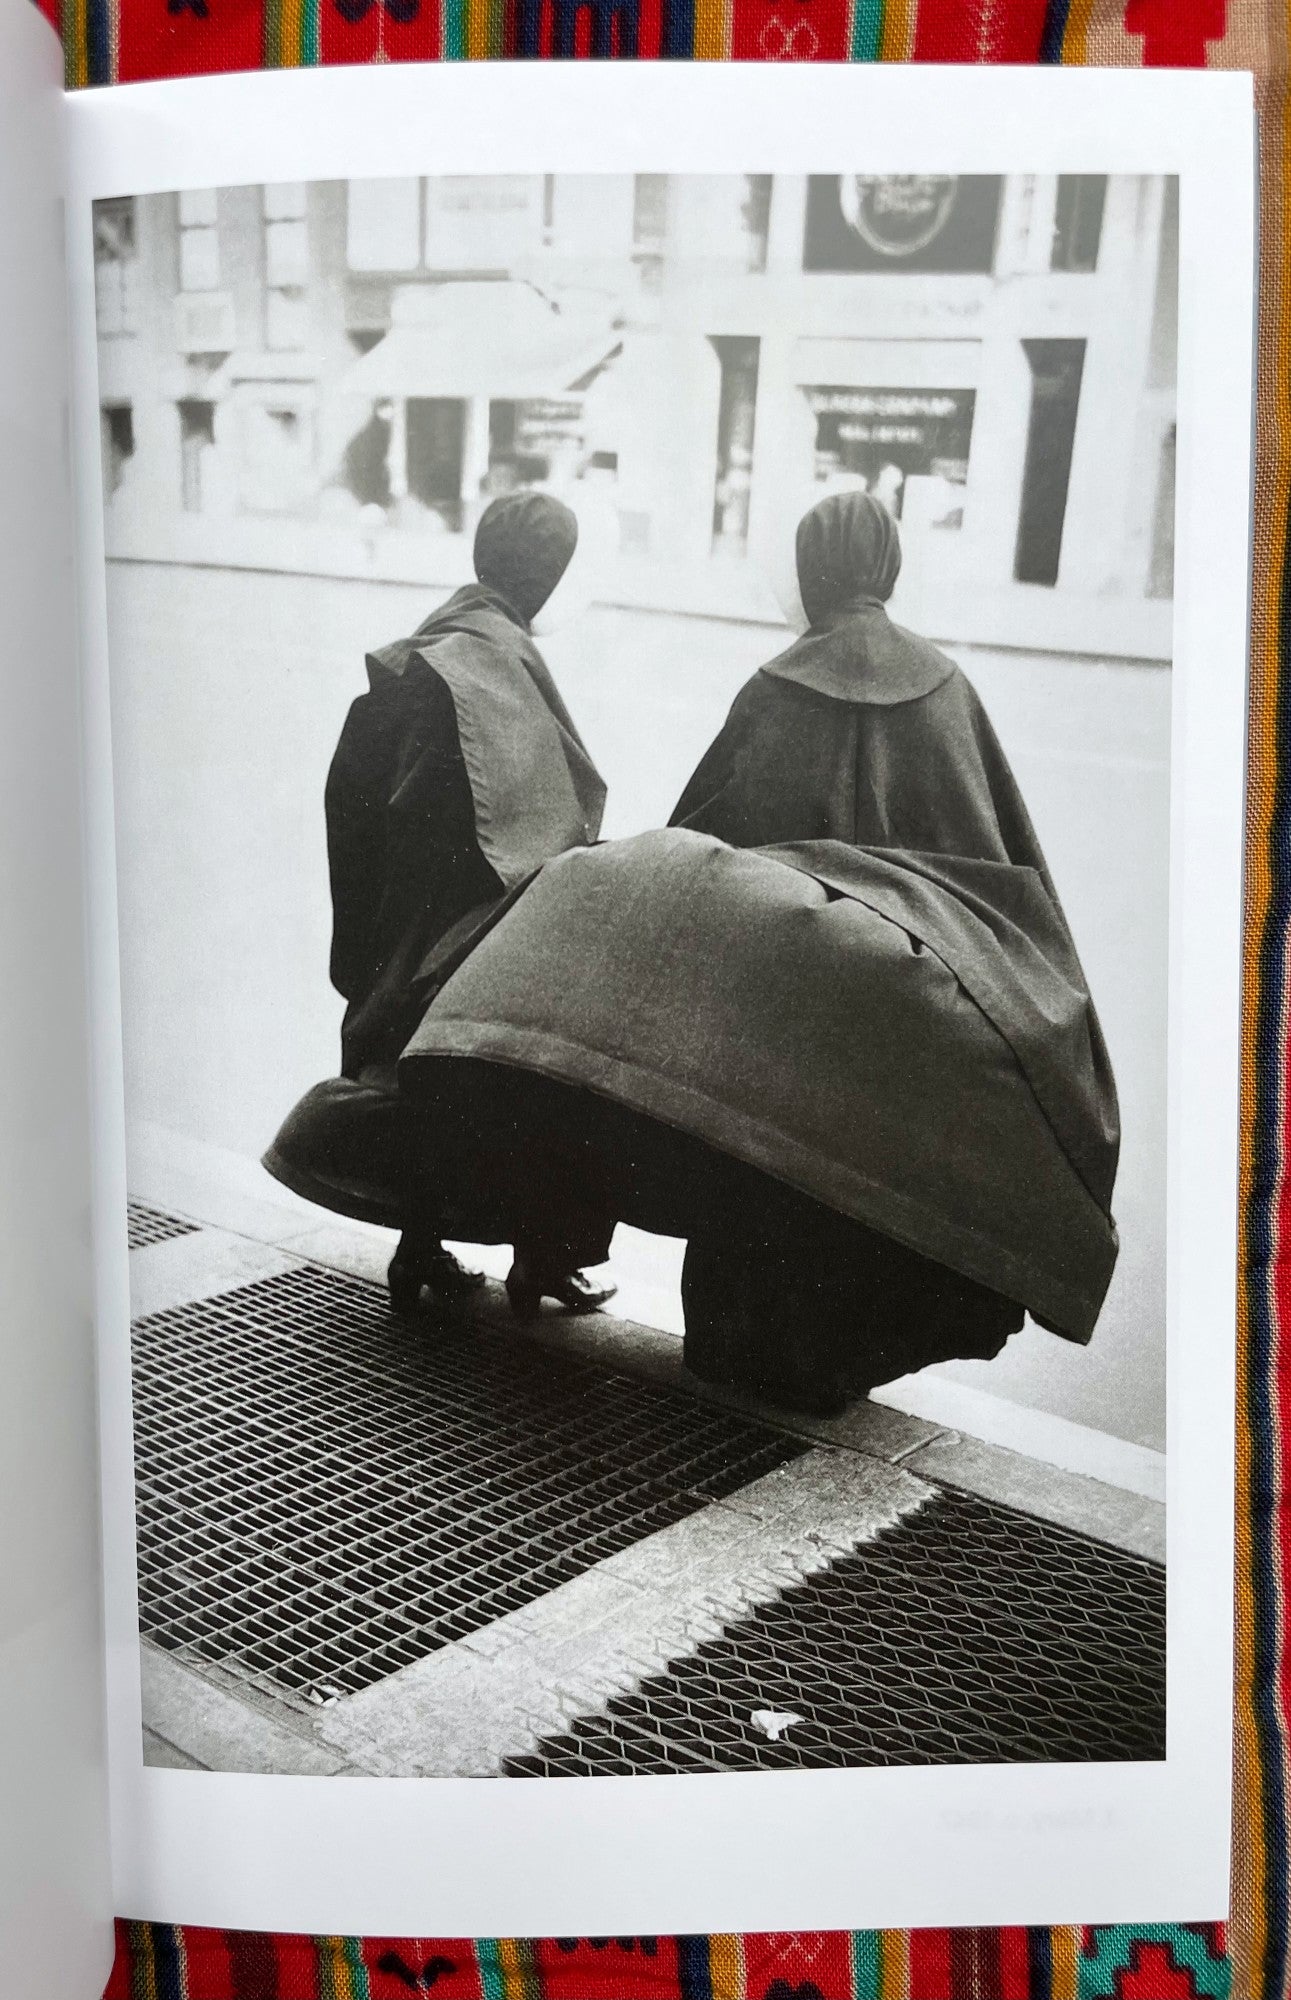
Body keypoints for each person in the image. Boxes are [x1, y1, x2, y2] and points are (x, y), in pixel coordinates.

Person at [397, 488, 1119, 1416]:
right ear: (887, 568)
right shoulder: (946, 689)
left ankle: (734, 1339)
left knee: (761, 1162)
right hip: (907, 993)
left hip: (791, 1006)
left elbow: (706, 840)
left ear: (814, 573)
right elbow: (1000, 861)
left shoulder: (777, 688)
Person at [263, 489, 616, 1321]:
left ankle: (420, 1252)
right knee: (541, 1067)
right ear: (546, 577)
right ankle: (541, 1262)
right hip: (464, 921)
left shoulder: (443, 640)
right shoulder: (488, 661)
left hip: (411, 919)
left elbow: (359, 799)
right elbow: (525, 818)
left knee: (427, 1087)